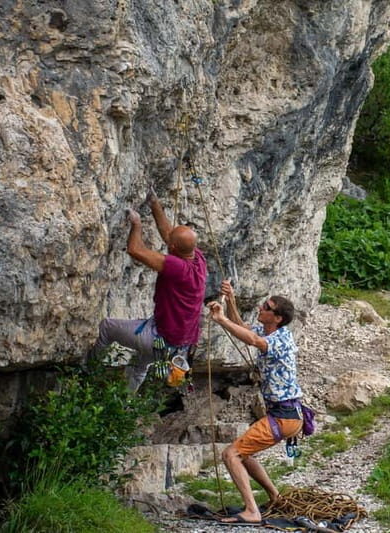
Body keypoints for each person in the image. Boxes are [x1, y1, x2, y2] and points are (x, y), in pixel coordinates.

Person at [207, 279, 303, 525]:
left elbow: (253, 341)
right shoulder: (269, 330)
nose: (261, 308)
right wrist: (231, 301)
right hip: (285, 415)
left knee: (231, 455)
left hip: (283, 416)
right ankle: (274, 496)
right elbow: (244, 329)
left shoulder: (280, 339)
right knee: (245, 454)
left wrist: (220, 320)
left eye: (266, 307)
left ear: (277, 317)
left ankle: (252, 511)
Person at [92, 189, 207, 391]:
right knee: (141, 365)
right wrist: (155, 204)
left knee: (106, 327)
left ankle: (87, 370)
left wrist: (137, 224)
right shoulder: (197, 258)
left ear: (172, 248)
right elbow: (169, 235)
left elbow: (136, 250)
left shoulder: (178, 268)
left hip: (158, 338)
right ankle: (125, 405)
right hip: (176, 344)